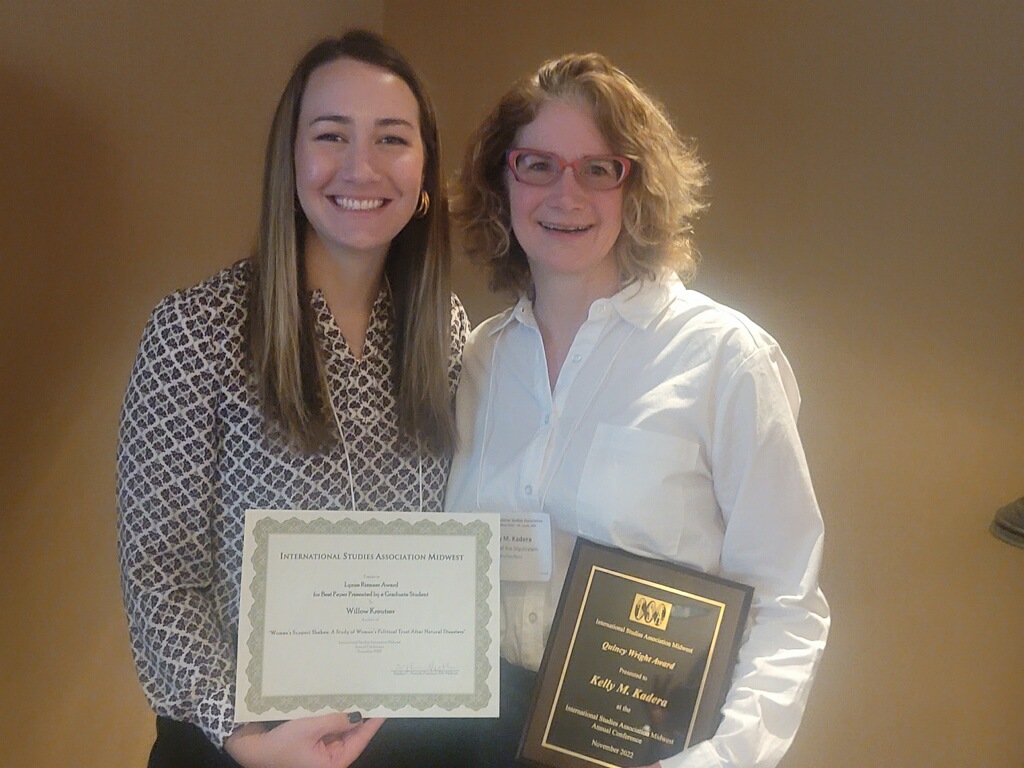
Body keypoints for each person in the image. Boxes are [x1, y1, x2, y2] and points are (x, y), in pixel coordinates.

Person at [446, 52, 830, 768]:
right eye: (537, 165)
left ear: (637, 186)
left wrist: (718, 762)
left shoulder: (724, 360)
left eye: (599, 169)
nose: (566, 194)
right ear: (502, 181)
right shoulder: (478, 359)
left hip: (645, 748)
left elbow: (786, 604)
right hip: (471, 737)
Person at [117, 30, 471, 768]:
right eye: (331, 135)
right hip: (242, 746)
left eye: (392, 138)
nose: (361, 167)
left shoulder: (447, 332)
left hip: (405, 739)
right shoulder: (196, 330)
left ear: (425, 173)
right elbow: (160, 575)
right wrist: (246, 736)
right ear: (291, 160)